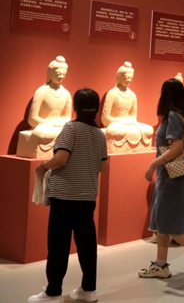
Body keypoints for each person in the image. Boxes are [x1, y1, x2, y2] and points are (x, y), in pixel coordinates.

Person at [29, 89, 108, 303]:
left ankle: (53, 292)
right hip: (87, 196)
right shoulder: (100, 133)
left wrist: (42, 168)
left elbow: (61, 158)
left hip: (64, 195)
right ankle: (89, 290)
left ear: (75, 106)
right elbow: (104, 166)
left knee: (58, 245)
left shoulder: (70, 128)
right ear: (97, 108)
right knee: (87, 245)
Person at [140, 79, 184, 281]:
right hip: (173, 176)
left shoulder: (173, 116)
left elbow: (177, 147)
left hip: (171, 177)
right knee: (163, 221)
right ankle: (161, 264)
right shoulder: (181, 115)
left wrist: (153, 164)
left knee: (169, 223)